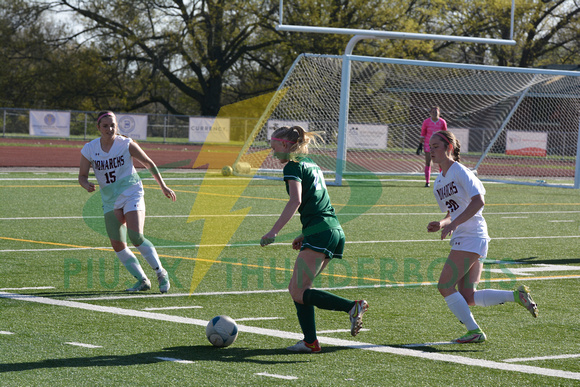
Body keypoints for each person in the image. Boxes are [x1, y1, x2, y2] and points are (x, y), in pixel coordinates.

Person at [260, 125, 368, 353]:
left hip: (321, 231)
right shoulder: (312, 165)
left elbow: (295, 201)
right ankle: (310, 342)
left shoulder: (293, 165)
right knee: (299, 289)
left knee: (298, 291)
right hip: (331, 229)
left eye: (274, 147)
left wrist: (274, 231)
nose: (273, 153)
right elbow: (319, 202)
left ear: (286, 145)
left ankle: (352, 307)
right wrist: (305, 233)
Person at [426, 130, 538, 343]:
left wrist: (455, 224)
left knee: (445, 285)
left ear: (449, 147)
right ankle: (516, 296)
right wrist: (441, 223)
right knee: (468, 296)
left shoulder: (461, 171)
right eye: (430, 147)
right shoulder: (439, 181)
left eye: (436, 146)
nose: (431, 151)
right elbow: (453, 212)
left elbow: (479, 201)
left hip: (472, 236)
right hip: (466, 237)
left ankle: (474, 331)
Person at [78, 111, 176, 293]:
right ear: (98, 128)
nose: (110, 129)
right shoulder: (90, 149)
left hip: (132, 193)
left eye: (113, 125)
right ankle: (142, 280)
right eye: (105, 126)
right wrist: (86, 185)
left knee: (136, 236)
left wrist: (163, 186)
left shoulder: (126, 144)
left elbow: (149, 163)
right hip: (110, 199)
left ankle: (161, 272)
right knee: (117, 243)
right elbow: (82, 176)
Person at [420, 106, 447, 187]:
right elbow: (423, 133)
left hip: (439, 145)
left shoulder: (442, 122)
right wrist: (420, 145)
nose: (434, 113)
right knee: (428, 162)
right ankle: (427, 182)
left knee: (441, 163)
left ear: (439, 113)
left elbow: (445, 134)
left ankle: (443, 180)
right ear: (430, 113)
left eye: (436, 112)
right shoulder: (426, 122)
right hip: (428, 144)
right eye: (433, 112)